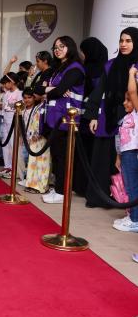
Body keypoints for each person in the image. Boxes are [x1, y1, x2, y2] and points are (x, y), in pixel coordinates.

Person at [86, 27, 138, 208]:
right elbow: (98, 91)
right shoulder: (110, 64)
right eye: (121, 41)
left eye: (128, 41)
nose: (123, 44)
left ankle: (125, 203)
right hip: (108, 116)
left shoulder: (136, 66)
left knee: (127, 162)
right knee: (102, 158)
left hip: (131, 119)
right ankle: (100, 198)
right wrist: (93, 115)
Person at [34, 36, 85, 204]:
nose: (57, 49)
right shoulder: (57, 68)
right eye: (55, 47)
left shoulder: (75, 68)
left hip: (66, 120)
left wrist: (52, 89)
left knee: (62, 157)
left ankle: (62, 192)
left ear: (70, 47)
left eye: (61, 46)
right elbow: (37, 88)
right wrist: (53, 89)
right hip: (53, 119)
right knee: (56, 156)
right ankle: (57, 189)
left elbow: (59, 90)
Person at [74, 37, 109, 198]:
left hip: (88, 117)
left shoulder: (89, 70)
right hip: (95, 117)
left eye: (84, 51)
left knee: (85, 153)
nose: (83, 54)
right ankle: (87, 186)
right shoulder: (105, 68)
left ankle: (82, 185)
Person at [112, 90, 138, 232]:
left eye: (128, 100)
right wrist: (118, 156)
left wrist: (132, 73)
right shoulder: (126, 117)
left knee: (133, 187)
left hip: (133, 154)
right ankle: (132, 215)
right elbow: (119, 139)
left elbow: (133, 91)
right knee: (129, 187)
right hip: (125, 154)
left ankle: (135, 220)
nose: (124, 103)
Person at [20, 88, 50, 194]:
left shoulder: (45, 105)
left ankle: (41, 186)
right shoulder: (38, 106)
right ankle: (31, 184)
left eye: (33, 95)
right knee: (32, 161)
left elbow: (44, 122)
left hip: (42, 137)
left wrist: (37, 133)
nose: (33, 96)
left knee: (42, 163)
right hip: (32, 137)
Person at [0, 73, 23, 179]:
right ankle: (7, 166)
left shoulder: (19, 93)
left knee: (13, 145)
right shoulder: (6, 93)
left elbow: (21, 107)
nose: (4, 86)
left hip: (14, 121)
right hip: (5, 121)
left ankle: (14, 168)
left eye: (5, 83)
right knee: (5, 144)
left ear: (12, 82)